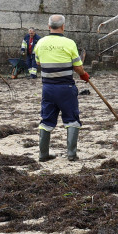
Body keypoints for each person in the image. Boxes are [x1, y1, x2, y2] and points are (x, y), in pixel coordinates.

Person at [35, 14, 89, 162]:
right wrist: (84, 75)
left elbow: (38, 63)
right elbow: (78, 67)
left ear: (48, 26)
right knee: (71, 119)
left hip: (47, 88)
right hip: (66, 87)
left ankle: (43, 154)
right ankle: (71, 154)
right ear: (63, 26)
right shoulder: (69, 43)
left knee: (46, 120)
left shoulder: (40, 43)